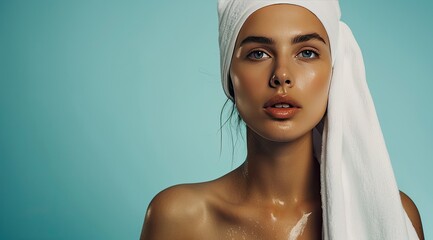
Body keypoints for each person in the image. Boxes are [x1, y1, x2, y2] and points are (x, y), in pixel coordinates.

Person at [140, 1, 424, 239]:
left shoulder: (391, 212)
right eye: (258, 53)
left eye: (307, 53)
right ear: (229, 75)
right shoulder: (178, 219)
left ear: (334, 71)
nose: (282, 75)